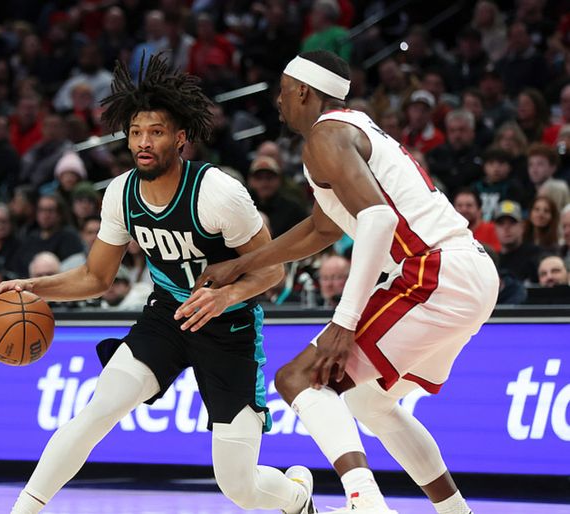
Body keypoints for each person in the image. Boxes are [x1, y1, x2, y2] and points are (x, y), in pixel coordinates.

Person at [0, 55, 315, 514]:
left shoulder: (217, 192)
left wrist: (226, 296)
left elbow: (272, 270)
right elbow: (95, 277)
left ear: (179, 138)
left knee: (238, 486)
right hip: (167, 318)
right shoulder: (121, 193)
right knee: (97, 411)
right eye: (136, 132)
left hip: (229, 329)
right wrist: (30, 286)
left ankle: (297, 498)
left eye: (155, 132)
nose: (143, 141)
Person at [187, 50, 499, 514]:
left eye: (282, 91)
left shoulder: (325, 135)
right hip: (468, 272)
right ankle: (456, 512)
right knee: (371, 403)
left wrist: (344, 321)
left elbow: (377, 219)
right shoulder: (352, 130)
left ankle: (365, 503)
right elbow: (322, 228)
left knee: (300, 378)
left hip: (433, 272)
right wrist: (241, 264)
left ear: (303, 91)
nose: (278, 102)